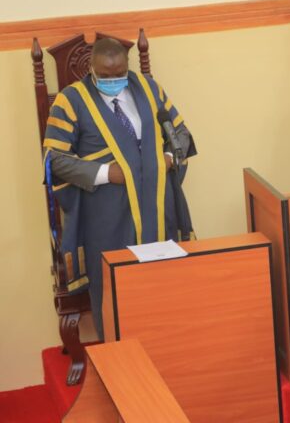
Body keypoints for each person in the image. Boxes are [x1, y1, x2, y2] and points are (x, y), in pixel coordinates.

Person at [43, 38, 195, 338]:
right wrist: (104, 172)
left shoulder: (149, 89)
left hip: (156, 208)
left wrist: (167, 157)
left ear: (127, 65)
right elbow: (55, 161)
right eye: (106, 74)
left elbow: (181, 134)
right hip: (108, 216)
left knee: (164, 289)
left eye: (119, 73)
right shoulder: (70, 100)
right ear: (92, 68)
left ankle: (168, 349)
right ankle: (118, 358)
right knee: (114, 293)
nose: (114, 79)